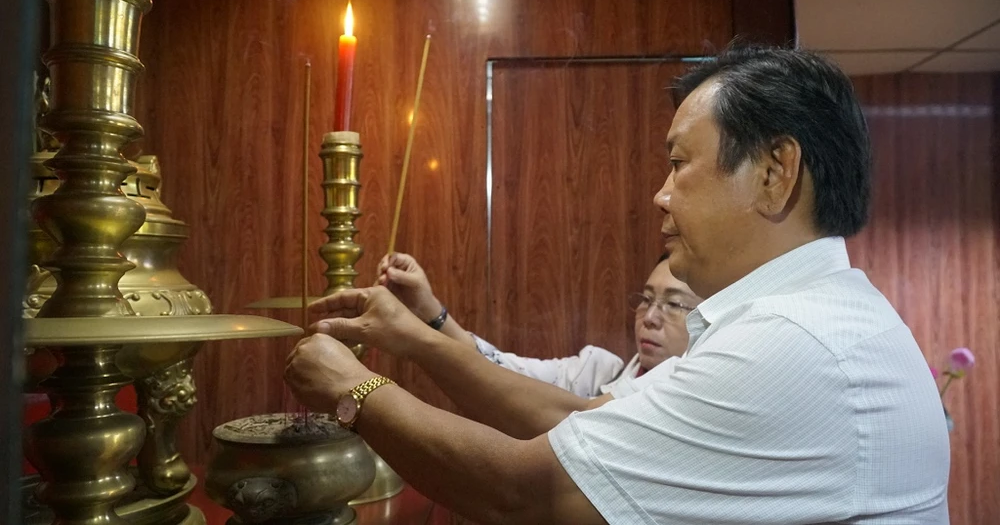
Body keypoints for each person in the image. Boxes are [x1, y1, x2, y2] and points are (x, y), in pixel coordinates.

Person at [285, 45, 950, 524]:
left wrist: (353, 389)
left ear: (776, 172)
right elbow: (573, 420)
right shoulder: (810, 317)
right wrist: (422, 338)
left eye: (680, 163)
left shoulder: (792, 343)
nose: (662, 195)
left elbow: (526, 491)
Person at [375, 251, 701, 398]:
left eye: (673, 305)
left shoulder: (697, 408)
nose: (650, 317)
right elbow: (502, 373)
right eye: (645, 299)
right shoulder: (598, 374)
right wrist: (428, 308)